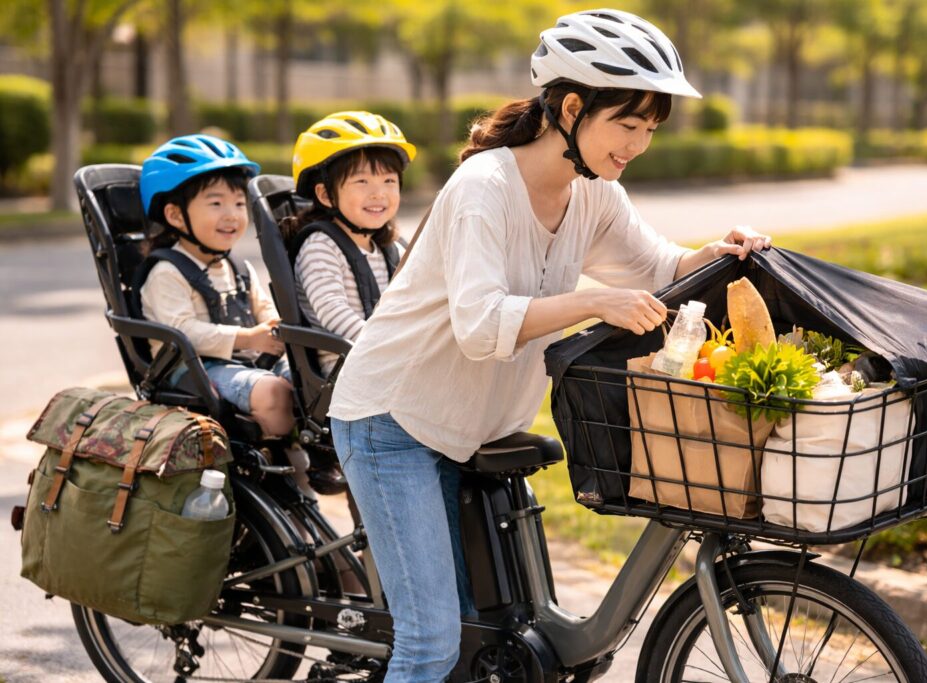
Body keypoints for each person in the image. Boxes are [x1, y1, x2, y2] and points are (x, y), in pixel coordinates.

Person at [328, 9, 772, 681]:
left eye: (650, 128)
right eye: (627, 124)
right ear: (571, 107)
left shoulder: (593, 194)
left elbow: (658, 267)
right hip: (393, 421)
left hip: (466, 425)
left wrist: (722, 249)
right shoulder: (485, 189)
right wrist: (594, 300)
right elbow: (480, 325)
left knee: (482, 642)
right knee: (430, 644)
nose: (639, 144)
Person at [137, 134, 302, 453]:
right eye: (216, 203)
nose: (232, 215)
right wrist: (248, 338)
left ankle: (302, 456)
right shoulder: (167, 272)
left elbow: (262, 307)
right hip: (193, 371)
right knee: (273, 393)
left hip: (245, 360)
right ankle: (271, 456)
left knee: (312, 380)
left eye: (239, 203)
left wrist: (272, 326)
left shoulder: (236, 266)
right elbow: (182, 331)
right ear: (174, 215)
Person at [285, 110, 416, 376]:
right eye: (362, 181)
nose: (379, 193)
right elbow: (332, 311)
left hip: (389, 362)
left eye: (389, 180)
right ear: (324, 194)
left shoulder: (387, 246)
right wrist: (387, 349)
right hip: (348, 372)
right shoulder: (320, 246)